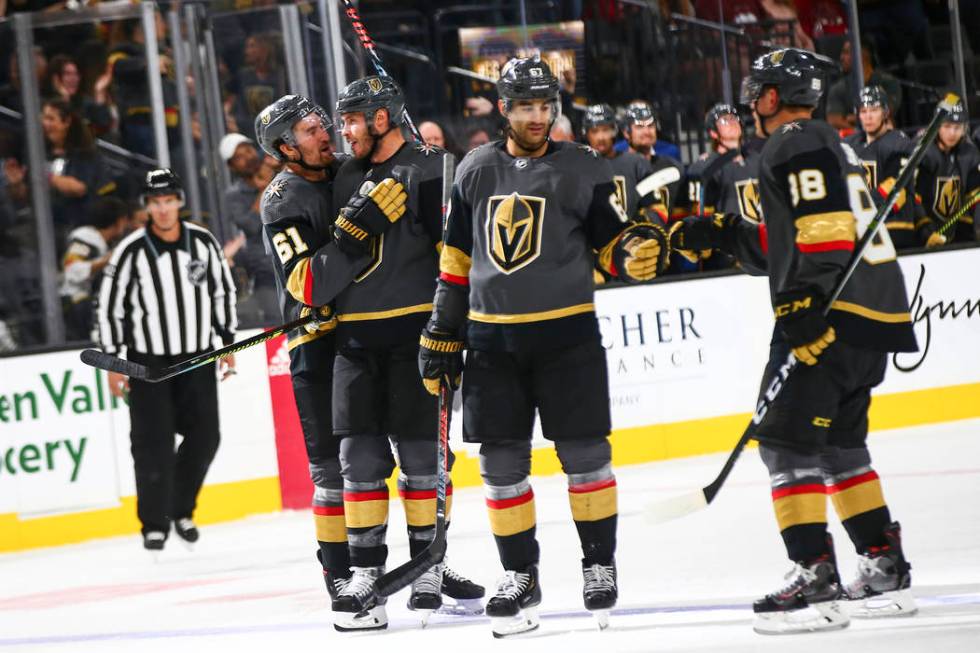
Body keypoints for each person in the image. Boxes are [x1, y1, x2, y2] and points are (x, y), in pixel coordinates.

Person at [417, 56, 670, 638]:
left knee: (585, 458)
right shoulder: (475, 169)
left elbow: (614, 247)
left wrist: (634, 256)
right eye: (526, 106)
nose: (538, 116)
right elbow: (454, 266)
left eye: (545, 105)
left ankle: (599, 564)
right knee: (501, 467)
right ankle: (519, 575)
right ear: (503, 109)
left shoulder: (584, 167)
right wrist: (440, 329)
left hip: (567, 337)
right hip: (491, 343)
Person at [671, 48, 918, 635]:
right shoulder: (829, 143)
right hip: (867, 314)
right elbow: (800, 235)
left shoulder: (792, 141)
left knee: (784, 445)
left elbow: (824, 233)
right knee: (838, 447)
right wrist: (727, 234)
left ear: (774, 96)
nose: (752, 101)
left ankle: (814, 577)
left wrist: (804, 307)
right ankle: (884, 566)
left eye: (758, 90)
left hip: (827, 313)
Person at [326, 75, 483, 630]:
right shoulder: (342, 174)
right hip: (355, 341)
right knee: (359, 464)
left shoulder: (436, 169)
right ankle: (367, 570)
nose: (342, 131)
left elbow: (458, 257)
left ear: (384, 118)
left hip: (418, 337)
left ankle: (426, 568)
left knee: (423, 463)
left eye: (352, 119)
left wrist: (453, 330)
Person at [96, 168, 237, 553]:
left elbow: (222, 292)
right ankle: (154, 524)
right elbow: (111, 307)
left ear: (179, 202)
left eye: (168, 201)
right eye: (155, 203)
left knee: (206, 436)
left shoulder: (203, 243)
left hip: (197, 358)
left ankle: (181, 509)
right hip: (149, 365)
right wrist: (112, 361)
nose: (162, 209)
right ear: (147, 206)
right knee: (151, 443)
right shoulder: (131, 251)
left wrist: (226, 346)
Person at [254, 95, 354, 623]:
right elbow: (307, 282)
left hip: (368, 337)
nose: (325, 134)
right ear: (286, 147)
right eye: (313, 129)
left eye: (322, 125)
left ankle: (429, 563)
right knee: (332, 474)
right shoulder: (281, 198)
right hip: (315, 345)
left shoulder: (348, 171)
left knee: (411, 459)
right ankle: (339, 573)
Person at [844, 86, 919, 250]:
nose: (868, 117)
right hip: (861, 229)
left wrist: (858, 207)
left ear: (885, 113)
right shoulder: (850, 145)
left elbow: (896, 193)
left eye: (874, 110)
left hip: (894, 229)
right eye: (863, 111)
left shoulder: (898, 144)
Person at [220, 132, 280, 324]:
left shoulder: (279, 171)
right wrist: (264, 189)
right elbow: (252, 225)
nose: (247, 157)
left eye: (248, 150)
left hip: (298, 261)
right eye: (239, 157)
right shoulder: (233, 195)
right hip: (267, 272)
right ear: (231, 166)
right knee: (279, 326)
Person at [59, 196, 129, 341]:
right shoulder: (85, 239)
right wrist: (106, 260)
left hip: (92, 306)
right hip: (77, 306)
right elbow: (72, 269)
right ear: (118, 221)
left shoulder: (106, 243)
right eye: (124, 219)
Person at [581, 103, 663, 222]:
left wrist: (639, 230)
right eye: (595, 131)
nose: (601, 137)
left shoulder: (636, 163)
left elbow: (657, 209)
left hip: (632, 238)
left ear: (615, 131)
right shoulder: (578, 168)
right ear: (586, 134)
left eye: (605, 130)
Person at [914, 100, 980, 246]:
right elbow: (914, 197)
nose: (952, 133)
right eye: (947, 126)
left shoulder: (970, 154)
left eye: (957, 127)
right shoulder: (923, 152)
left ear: (964, 128)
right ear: (937, 127)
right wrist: (925, 231)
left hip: (959, 233)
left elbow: (975, 196)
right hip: (923, 234)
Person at [622, 101, 684, 222]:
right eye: (639, 127)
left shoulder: (672, 166)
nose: (646, 132)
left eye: (650, 126)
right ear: (626, 132)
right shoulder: (617, 167)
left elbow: (681, 210)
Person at [826, 41, 901, 132]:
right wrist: (861, 135)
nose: (841, 57)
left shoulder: (887, 82)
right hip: (851, 141)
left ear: (862, 55)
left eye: (846, 53)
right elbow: (834, 120)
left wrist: (850, 117)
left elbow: (887, 113)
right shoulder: (838, 88)